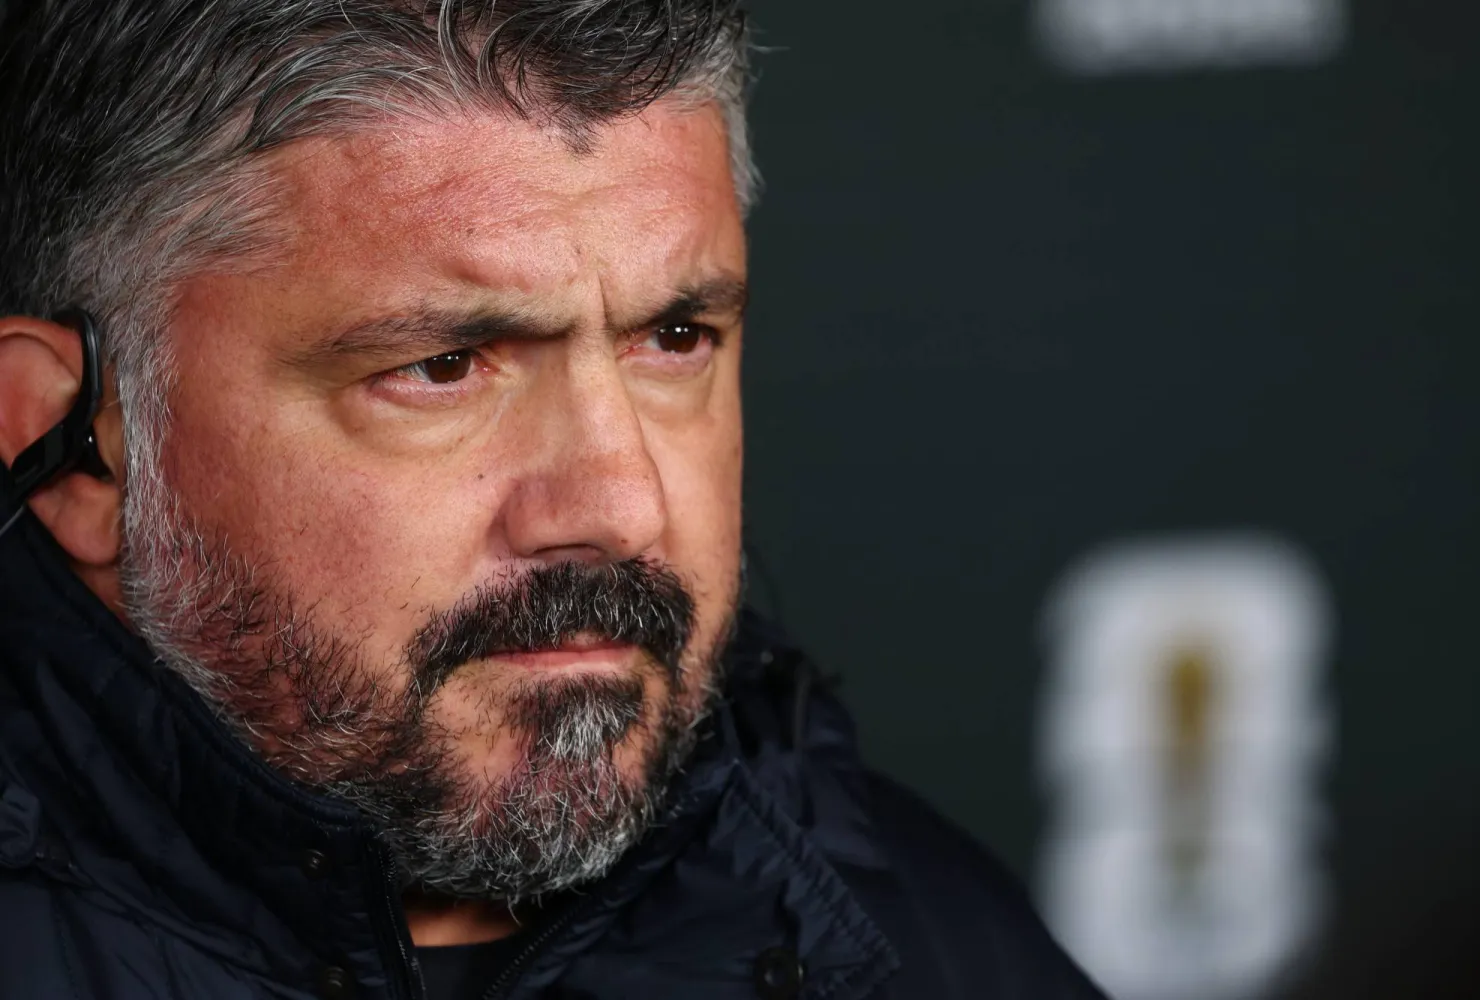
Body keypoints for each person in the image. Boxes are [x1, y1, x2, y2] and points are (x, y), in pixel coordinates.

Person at [0, 2, 1106, 998]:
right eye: (443, 364)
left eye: (675, 339)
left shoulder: (933, 947)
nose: (622, 508)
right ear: (76, 449)